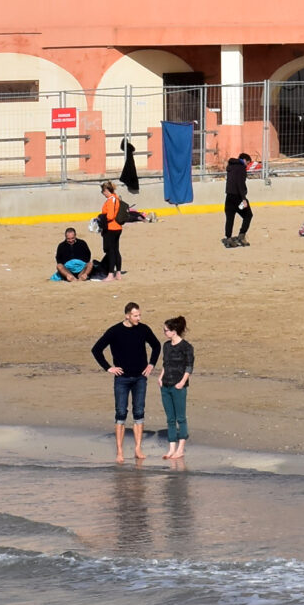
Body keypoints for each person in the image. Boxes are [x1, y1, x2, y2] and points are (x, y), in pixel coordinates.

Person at [91, 302, 161, 463]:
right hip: (121, 378)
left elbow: (156, 346)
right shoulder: (115, 331)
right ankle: (120, 451)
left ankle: (138, 448)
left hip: (140, 377)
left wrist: (151, 364)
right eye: (136, 315)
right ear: (127, 315)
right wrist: (108, 368)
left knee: (139, 412)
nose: (139, 318)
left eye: (139, 315)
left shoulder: (143, 329)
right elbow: (96, 349)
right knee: (121, 413)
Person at [159, 315, 193, 465]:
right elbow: (165, 364)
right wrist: (160, 377)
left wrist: (182, 382)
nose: (164, 332)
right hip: (165, 385)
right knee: (170, 418)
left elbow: (189, 367)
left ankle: (181, 448)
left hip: (178, 386)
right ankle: (172, 448)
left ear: (173, 331)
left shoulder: (186, 347)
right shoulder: (166, 346)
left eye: (166, 330)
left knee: (181, 417)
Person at [95, 183, 127, 278]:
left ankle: (110, 273)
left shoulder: (111, 200)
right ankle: (118, 273)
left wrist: (100, 217)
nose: (103, 194)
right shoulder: (116, 198)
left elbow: (110, 216)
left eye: (103, 191)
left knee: (111, 251)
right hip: (117, 227)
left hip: (111, 228)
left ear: (106, 190)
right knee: (115, 250)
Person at [223, 152, 252, 249]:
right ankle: (241, 236)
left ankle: (228, 239)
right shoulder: (241, 168)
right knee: (248, 215)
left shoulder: (230, 166)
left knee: (230, 218)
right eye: (247, 163)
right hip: (238, 197)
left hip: (229, 196)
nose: (247, 166)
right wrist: (243, 199)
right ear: (245, 160)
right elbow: (240, 184)